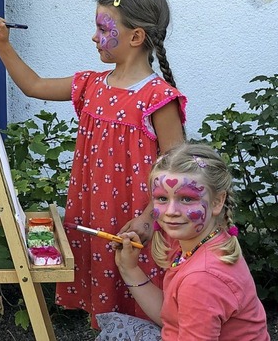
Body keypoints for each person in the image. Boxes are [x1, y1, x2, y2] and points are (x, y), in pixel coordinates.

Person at [0, 0, 186, 327]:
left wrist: (148, 219)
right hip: (97, 216)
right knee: (108, 304)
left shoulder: (158, 98)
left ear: (136, 37)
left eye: (103, 29)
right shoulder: (90, 84)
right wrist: (1, 45)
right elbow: (33, 85)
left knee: (147, 306)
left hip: (138, 222)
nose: (95, 37)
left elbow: (179, 170)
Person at [114, 143, 269, 340]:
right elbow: (174, 317)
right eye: (161, 198)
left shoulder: (202, 278)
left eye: (187, 199)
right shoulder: (196, 242)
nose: (170, 211)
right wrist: (129, 269)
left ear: (217, 202)